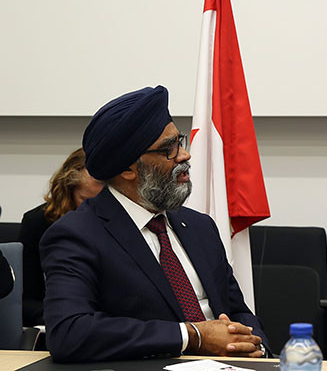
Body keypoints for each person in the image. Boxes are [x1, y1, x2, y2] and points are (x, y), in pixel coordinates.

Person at [40, 85, 270, 362]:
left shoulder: (200, 227)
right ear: (128, 169)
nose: (184, 155)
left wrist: (256, 347)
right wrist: (192, 336)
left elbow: (238, 311)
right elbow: (69, 332)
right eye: (168, 150)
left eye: (179, 142)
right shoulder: (77, 235)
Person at [20, 147, 103, 326]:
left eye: (103, 202)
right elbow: (25, 302)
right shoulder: (38, 223)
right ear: (68, 191)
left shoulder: (122, 224)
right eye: (85, 200)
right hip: (59, 322)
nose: (95, 210)